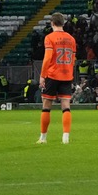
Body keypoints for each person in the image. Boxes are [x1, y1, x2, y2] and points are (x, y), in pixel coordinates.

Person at [38, 12, 77, 144]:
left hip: (53, 74)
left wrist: (42, 76)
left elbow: (47, 58)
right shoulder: (71, 39)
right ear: (63, 23)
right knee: (66, 106)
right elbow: (73, 58)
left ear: (52, 23)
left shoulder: (50, 38)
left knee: (46, 105)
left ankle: (43, 138)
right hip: (66, 74)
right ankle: (65, 137)